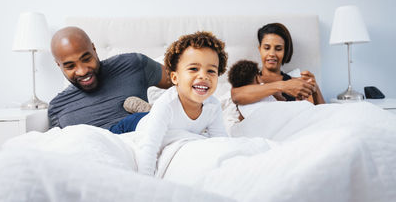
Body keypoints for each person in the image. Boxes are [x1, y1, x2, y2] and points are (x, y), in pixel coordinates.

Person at [136, 31, 229, 176]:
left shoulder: (213, 106)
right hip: (137, 123)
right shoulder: (167, 105)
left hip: (166, 123)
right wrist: (145, 183)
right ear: (174, 77)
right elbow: (148, 147)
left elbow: (221, 142)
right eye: (193, 69)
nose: (203, 75)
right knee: (123, 123)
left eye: (211, 71)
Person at [48, 26, 172, 132]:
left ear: (94, 49)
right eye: (70, 66)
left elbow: (180, 81)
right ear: (59, 65)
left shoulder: (132, 65)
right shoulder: (57, 108)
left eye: (86, 59)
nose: (82, 71)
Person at [231, 23, 325, 106]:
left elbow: (322, 116)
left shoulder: (296, 84)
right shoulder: (249, 78)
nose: (272, 53)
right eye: (267, 48)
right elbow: (236, 96)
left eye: (278, 49)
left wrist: (315, 89)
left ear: (285, 51)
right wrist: (283, 86)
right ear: (260, 49)